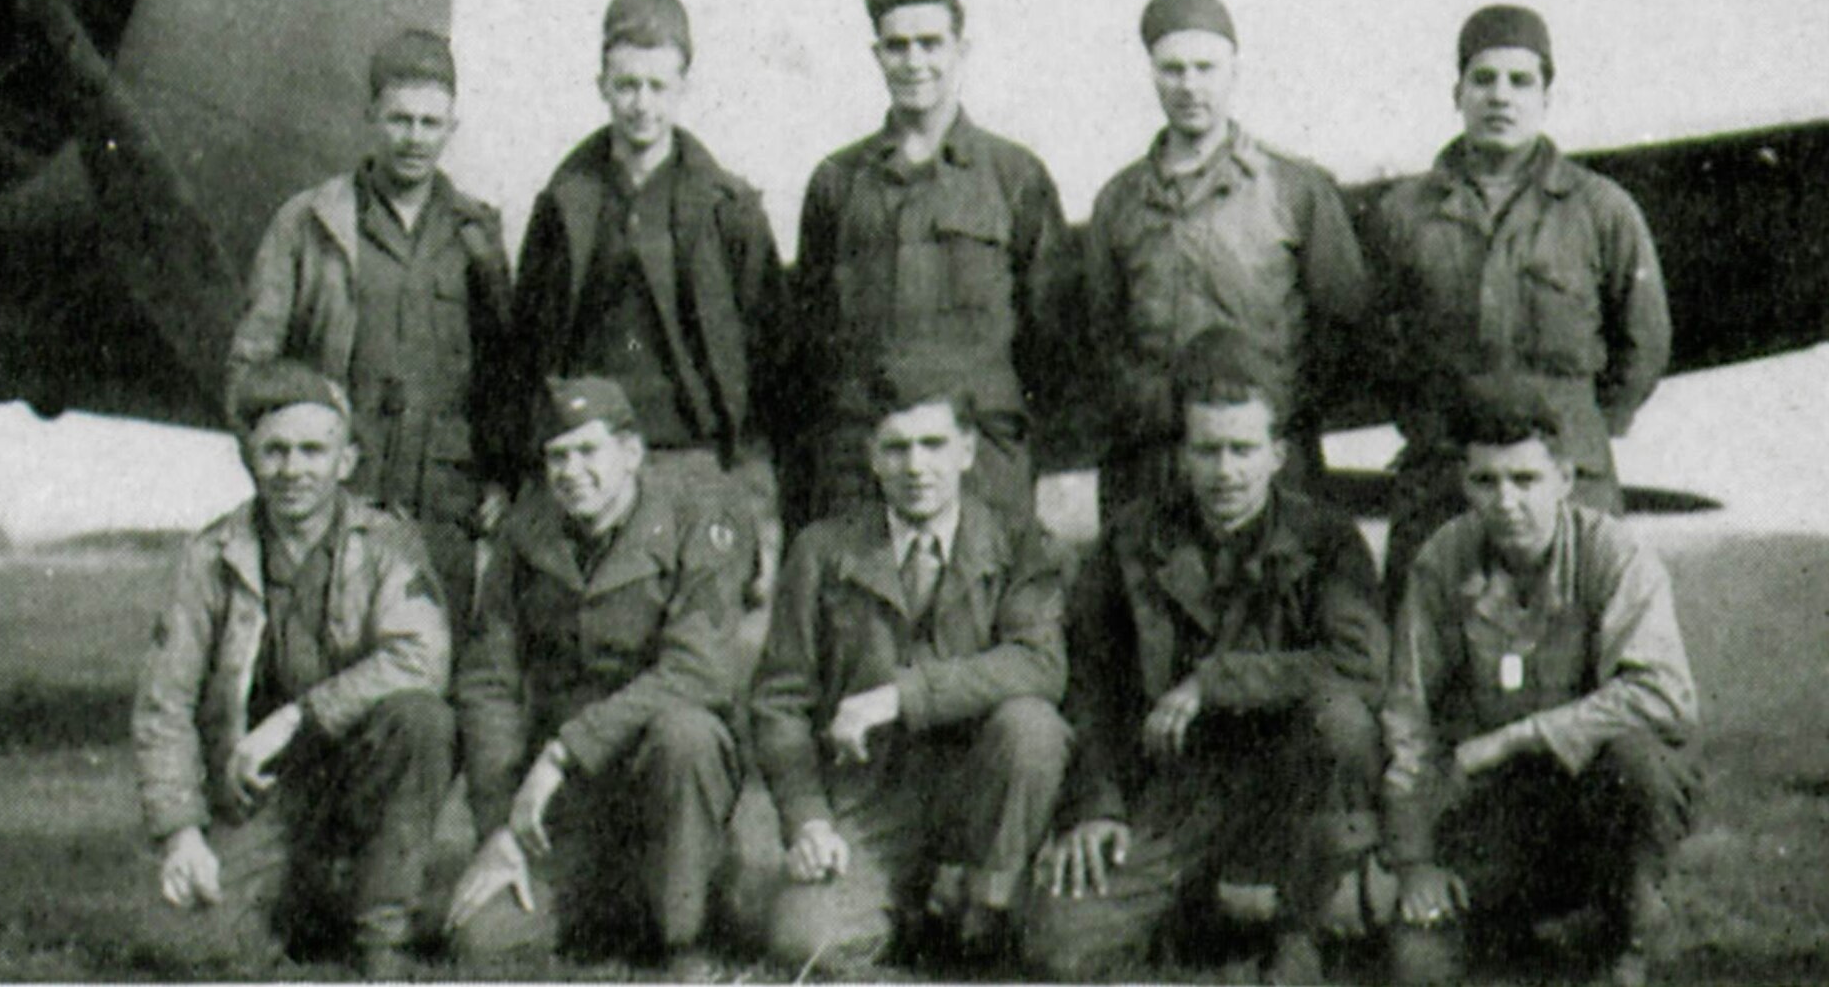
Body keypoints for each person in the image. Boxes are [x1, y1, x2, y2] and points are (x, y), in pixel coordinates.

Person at [1022, 326, 1388, 983]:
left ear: (1278, 453)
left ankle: (1298, 923)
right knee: (1058, 944)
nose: (1226, 472)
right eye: (1208, 451)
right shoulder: (1131, 541)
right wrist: (1097, 806)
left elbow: (1357, 665)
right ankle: (1192, 909)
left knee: (1344, 721)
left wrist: (1214, 682)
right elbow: (1090, 687)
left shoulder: (1328, 542)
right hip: (1175, 787)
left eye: (1243, 450)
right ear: (1182, 456)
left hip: (1290, 785)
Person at [130, 360, 453, 976]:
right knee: (188, 945)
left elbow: (422, 656)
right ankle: (305, 899)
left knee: (422, 718)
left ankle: (381, 935)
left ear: (347, 460)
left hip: (359, 779)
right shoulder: (212, 557)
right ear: (251, 459)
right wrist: (180, 832)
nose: (293, 470)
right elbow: (162, 704)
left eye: (313, 450)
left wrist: (295, 719)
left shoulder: (387, 543)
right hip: (259, 797)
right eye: (275, 451)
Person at [750, 362, 1070, 973]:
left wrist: (900, 695)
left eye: (934, 445)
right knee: (803, 941)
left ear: (969, 450)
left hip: (981, 792)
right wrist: (808, 821)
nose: (916, 467)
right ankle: (911, 912)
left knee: (1032, 726)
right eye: (896, 448)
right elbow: (779, 703)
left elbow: (1039, 662)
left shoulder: (1019, 542)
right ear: (871, 457)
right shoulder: (822, 551)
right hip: (871, 798)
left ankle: (987, 905)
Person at [1381, 382, 1699, 987]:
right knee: (1419, 966)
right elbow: (1408, 716)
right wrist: (1415, 860)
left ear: (1563, 479)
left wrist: (1517, 737)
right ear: (1464, 483)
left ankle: (1626, 927)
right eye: (1486, 482)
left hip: (1596, 795)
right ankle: (1514, 922)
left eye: (1525, 480)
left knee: (1640, 761)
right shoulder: (1441, 563)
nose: (1505, 502)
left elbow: (1662, 695)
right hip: (1502, 805)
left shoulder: (1615, 554)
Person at [1368, 4, 1671, 611]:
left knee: (1579, 649)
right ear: (1457, 93)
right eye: (1483, 80)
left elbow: (1643, 345)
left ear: (1546, 96)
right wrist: (1431, 427)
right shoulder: (1404, 215)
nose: (1500, 96)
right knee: (1428, 655)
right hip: (1444, 478)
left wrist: (1576, 431)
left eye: (1520, 80)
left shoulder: (1598, 210)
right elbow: (1374, 345)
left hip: (1566, 482)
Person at [447, 376, 749, 975]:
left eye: (589, 452)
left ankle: (683, 937)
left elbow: (700, 670)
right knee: (485, 943)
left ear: (631, 453)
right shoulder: (524, 534)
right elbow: (489, 684)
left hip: (662, 786)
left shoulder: (699, 520)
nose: (571, 471)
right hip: (568, 805)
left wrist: (564, 750)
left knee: (685, 734)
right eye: (557, 456)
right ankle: (604, 905)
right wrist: (497, 826)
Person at [230, 28, 516, 640]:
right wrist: (287, 473)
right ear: (371, 117)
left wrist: (501, 474)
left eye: (430, 123)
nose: (415, 139)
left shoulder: (478, 235)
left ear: (451, 127)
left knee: (434, 664)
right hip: (342, 494)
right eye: (400, 120)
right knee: (326, 658)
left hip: (443, 501)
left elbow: (503, 370)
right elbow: (251, 368)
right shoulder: (310, 224)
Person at [514, 0, 787, 601]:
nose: (642, 104)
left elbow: (769, 361)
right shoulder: (565, 206)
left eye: (658, 87)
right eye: (626, 85)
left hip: (692, 461)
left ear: (683, 87)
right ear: (602, 85)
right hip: (591, 466)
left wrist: (757, 499)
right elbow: (528, 352)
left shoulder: (729, 210)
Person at [788, 0, 1070, 532]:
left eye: (930, 43)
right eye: (897, 46)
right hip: (865, 463)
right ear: (877, 55)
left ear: (960, 49)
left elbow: (1053, 348)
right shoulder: (838, 185)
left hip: (983, 463)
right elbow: (810, 347)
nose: (915, 62)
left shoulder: (1013, 177)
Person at [1086, 0, 1368, 522]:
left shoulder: (1292, 190)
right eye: (1172, 69)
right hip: (1156, 463)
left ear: (1233, 71)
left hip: (1269, 462)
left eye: (1205, 67)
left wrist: (1279, 407)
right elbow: (1103, 332)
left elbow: (1344, 323)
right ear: (1151, 74)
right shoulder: (1119, 203)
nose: (1190, 86)